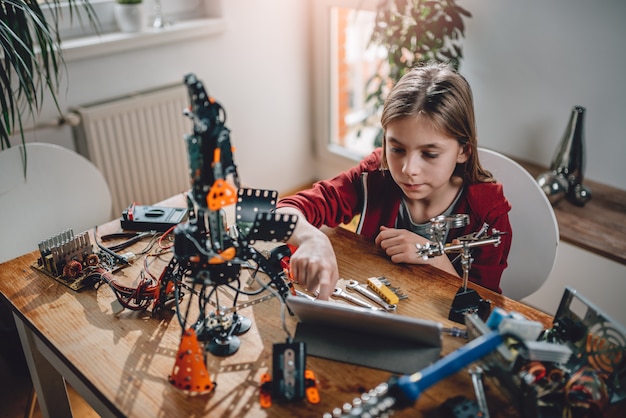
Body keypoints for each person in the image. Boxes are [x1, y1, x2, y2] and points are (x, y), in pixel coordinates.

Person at [276, 62, 512, 300]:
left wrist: (435, 257)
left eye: (429, 154)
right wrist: (311, 237)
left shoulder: (488, 214)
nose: (409, 169)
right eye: (397, 149)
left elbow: (487, 306)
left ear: (464, 151)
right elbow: (283, 211)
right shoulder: (374, 174)